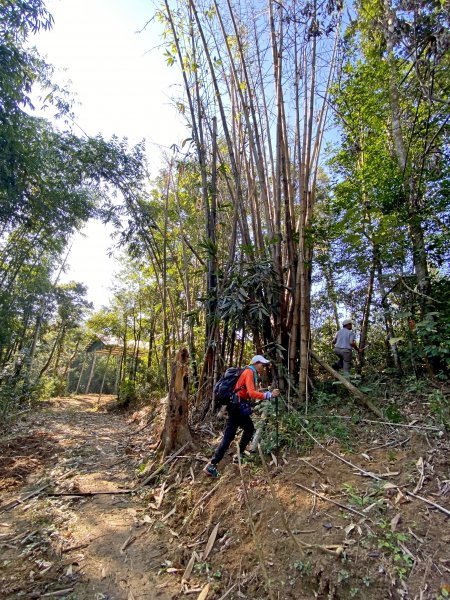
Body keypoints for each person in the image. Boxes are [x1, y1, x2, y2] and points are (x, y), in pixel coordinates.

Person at [203, 355, 280, 478]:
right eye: (262, 365)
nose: (263, 368)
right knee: (246, 429)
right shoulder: (249, 372)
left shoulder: (247, 371)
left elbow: (247, 390)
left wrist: (264, 392)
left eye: (265, 366)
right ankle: (222, 461)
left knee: (233, 434)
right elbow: (251, 393)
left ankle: (216, 463)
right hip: (237, 406)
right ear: (256, 363)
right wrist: (268, 395)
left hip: (235, 405)